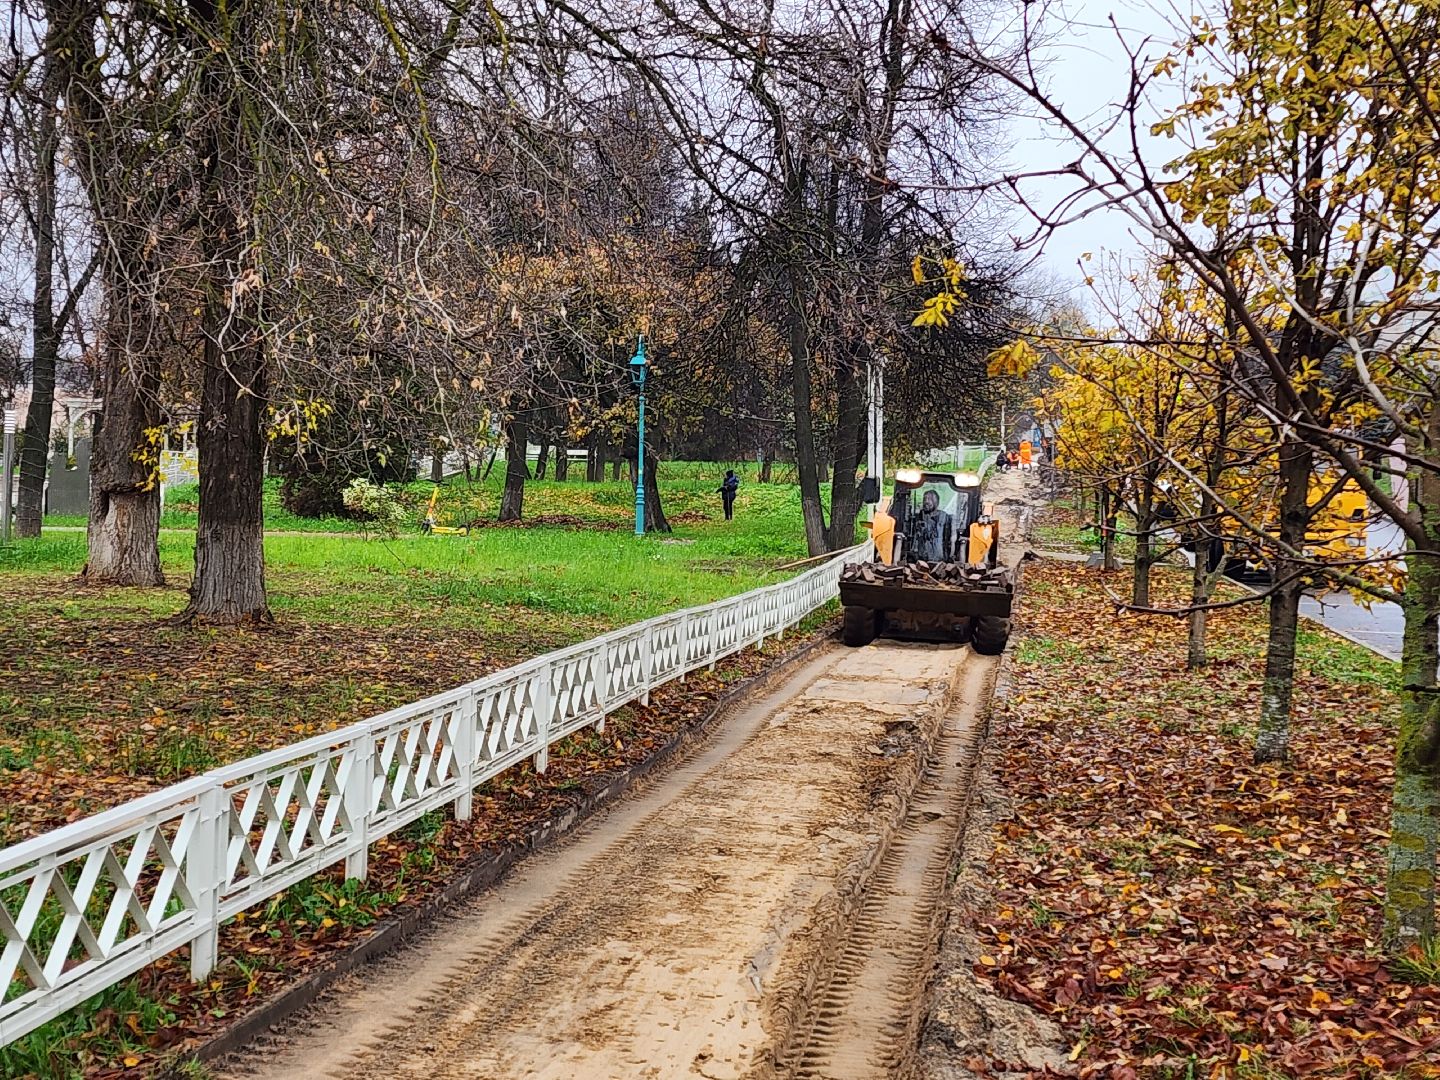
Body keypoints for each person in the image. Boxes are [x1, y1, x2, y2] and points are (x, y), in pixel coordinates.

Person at [910, 488, 953, 562]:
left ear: (936, 501)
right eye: (924, 499)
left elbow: (950, 539)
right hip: (921, 560)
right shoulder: (918, 517)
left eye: (929, 499)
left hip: (941, 559)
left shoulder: (945, 517)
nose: (926, 501)